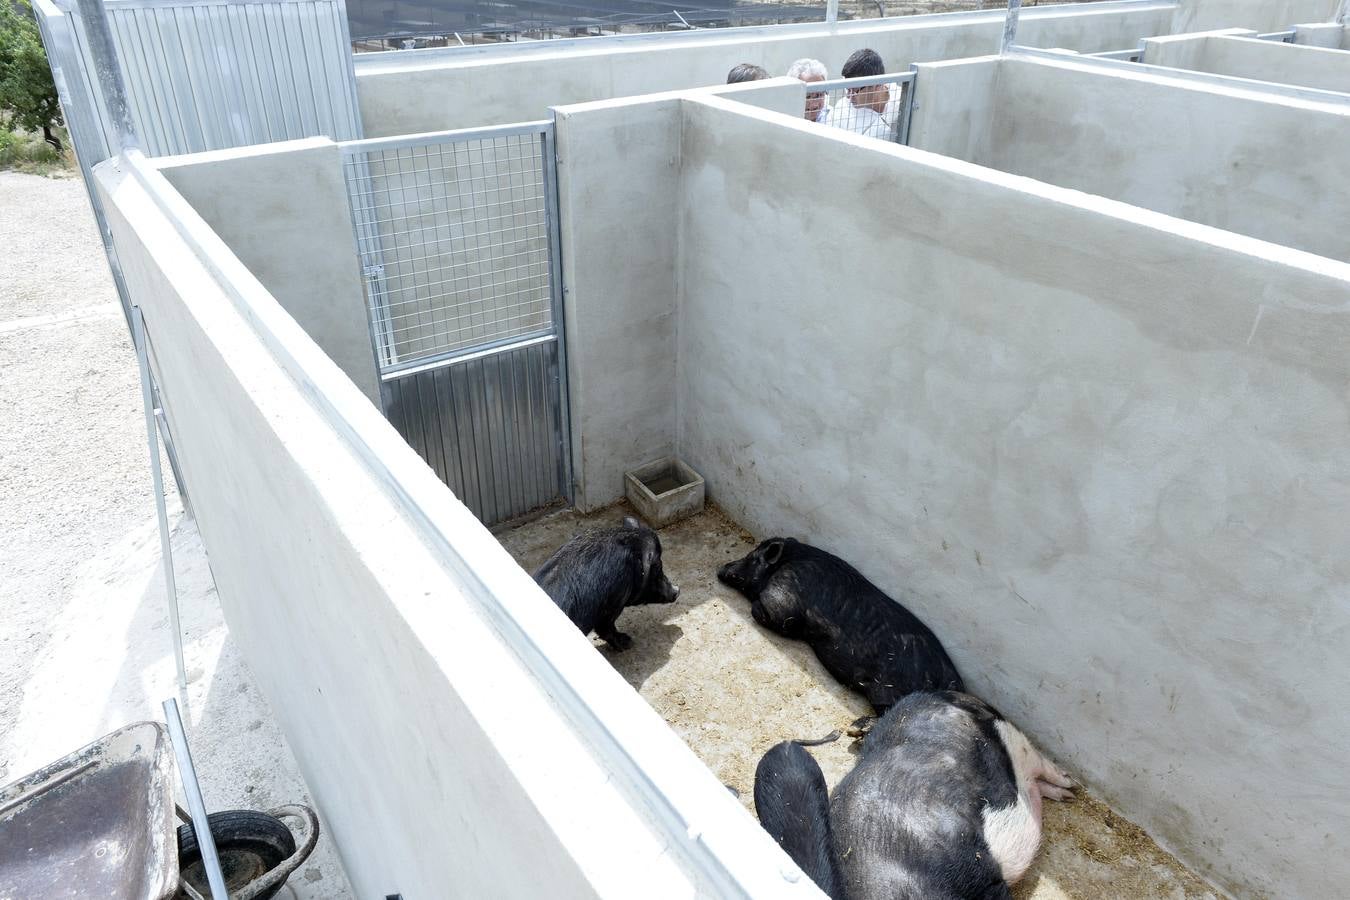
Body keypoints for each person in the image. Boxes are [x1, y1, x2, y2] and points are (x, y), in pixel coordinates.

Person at [824, 49, 892, 140]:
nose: (849, 96)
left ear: (877, 85)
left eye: (855, 91)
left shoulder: (897, 107)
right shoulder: (842, 107)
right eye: (847, 89)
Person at [786, 58, 830, 123]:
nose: (814, 104)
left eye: (818, 95)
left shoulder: (832, 115)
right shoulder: (784, 117)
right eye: (807, 96)